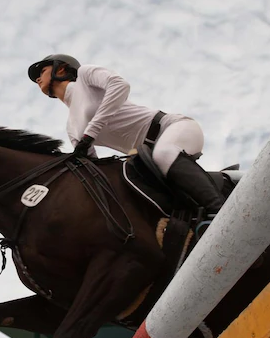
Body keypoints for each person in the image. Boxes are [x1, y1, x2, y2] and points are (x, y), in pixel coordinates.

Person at [27, 53, 225, 216]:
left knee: (163, 154)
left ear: (61, 69)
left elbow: (120, 85)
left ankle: (219, 211)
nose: (37, 79)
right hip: (148, 161)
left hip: (172, 128)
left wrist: (91, 132)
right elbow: (93, 167)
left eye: (42, 71)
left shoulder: (86, 75)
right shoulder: (71, 126)